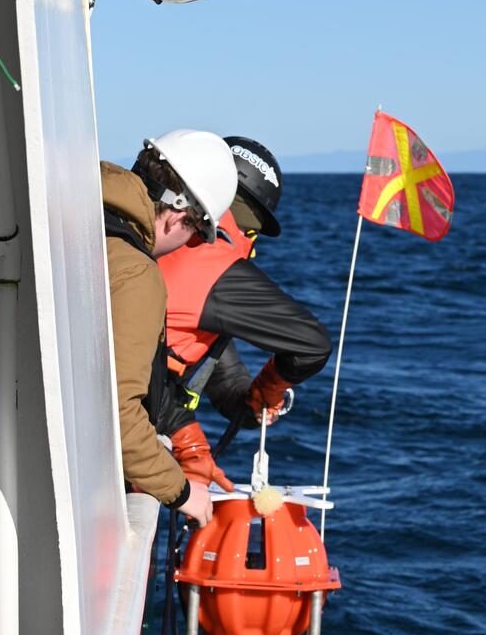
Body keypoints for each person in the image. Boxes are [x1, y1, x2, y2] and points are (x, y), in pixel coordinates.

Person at [152, 135, 331, 487]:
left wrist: (253, 403)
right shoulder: (213, 259)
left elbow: (219, 371)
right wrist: (274, 386)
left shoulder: (160, 231)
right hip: (134, 432)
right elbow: (313, 345)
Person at [102, 130, 239, 526]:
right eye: (197, 235)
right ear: (179, 215)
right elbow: (119, 413)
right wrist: (182, 492)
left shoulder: (77, 214)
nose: (189, 245)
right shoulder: (136, 272)